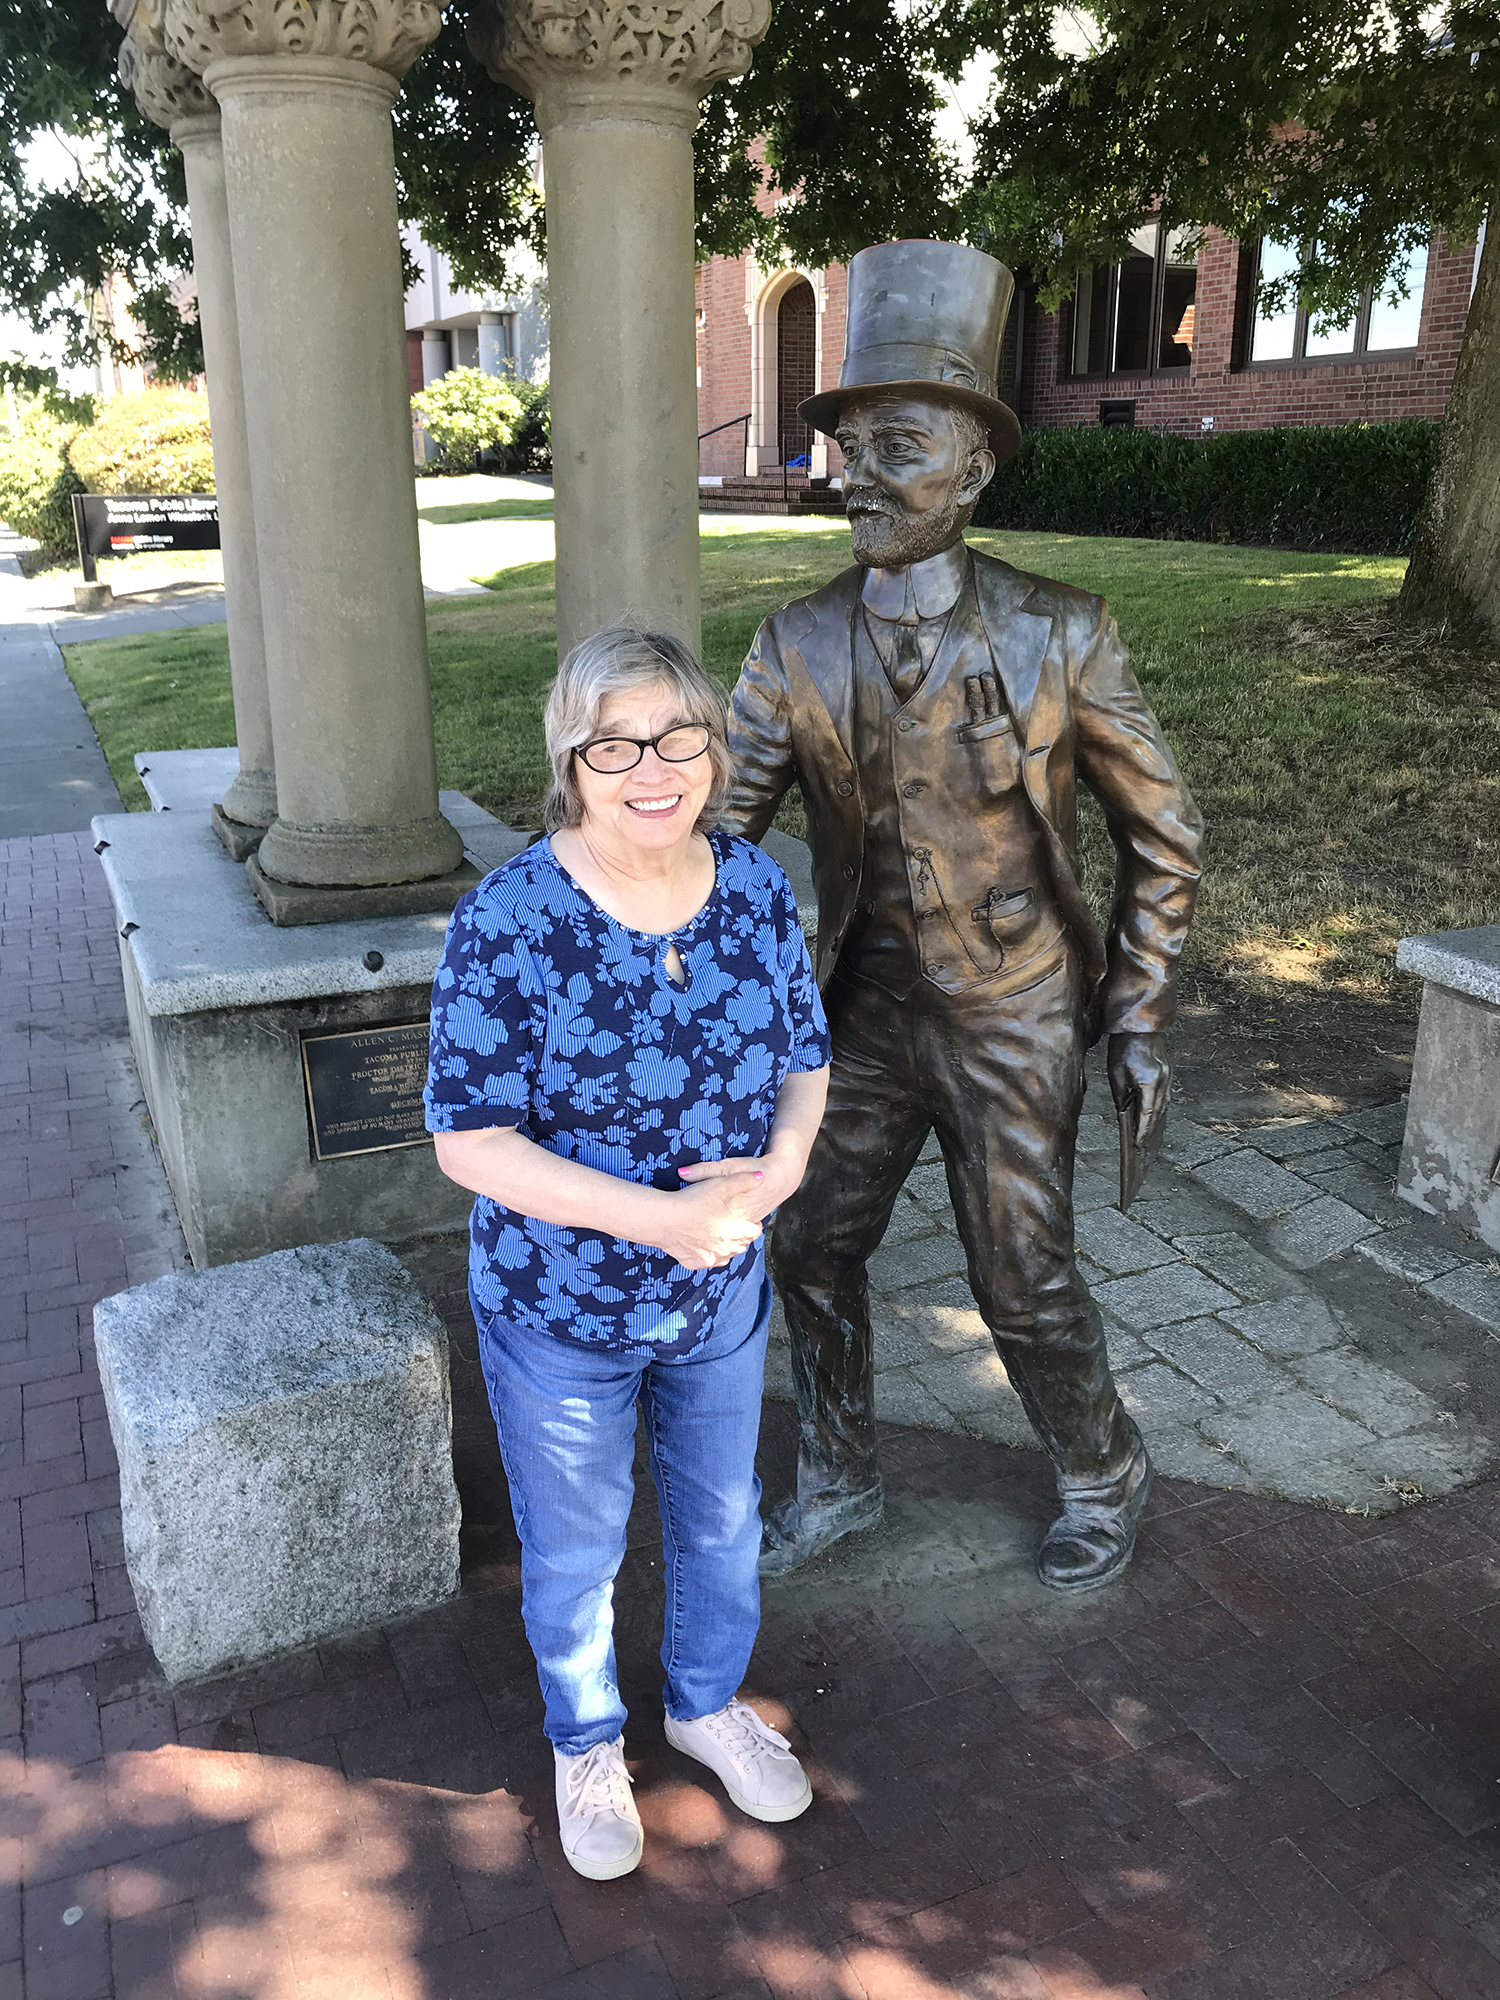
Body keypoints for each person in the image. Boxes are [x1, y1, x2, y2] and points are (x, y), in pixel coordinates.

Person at [723, 239, 1204, 1592]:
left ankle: (1105, 1462)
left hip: (1013, 1007)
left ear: (978, 464)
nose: (854, 476)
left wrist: (1137, 1013)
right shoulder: (793, 645)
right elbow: (715, 846)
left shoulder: (1064, 634)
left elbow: (1163, 834)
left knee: (1022, 1277)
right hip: (864, 1010)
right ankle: (837, 1468)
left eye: (897, 445)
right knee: (808, 1243)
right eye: (846, 445)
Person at [425, 625, 832, 1882]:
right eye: (615, 743)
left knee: (720, 1519)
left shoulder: (756, 886)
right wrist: (657, 1216)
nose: (651, 767)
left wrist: (782, 1170)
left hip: (720, 1295)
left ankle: (703, 1703)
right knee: (579, 1541)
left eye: (677, 736)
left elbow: (808, 1063)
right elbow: (468, 1139)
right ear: (572, 757)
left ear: (712, 746)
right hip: (562, 1305)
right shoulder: (511, 918)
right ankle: (585, 1736)